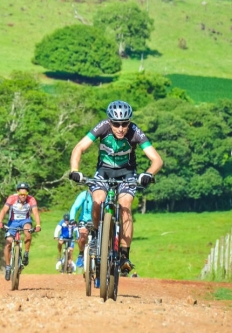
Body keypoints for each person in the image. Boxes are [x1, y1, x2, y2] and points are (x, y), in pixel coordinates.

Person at [69, 100, 163, 274]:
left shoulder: (135, 132)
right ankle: (97, 237)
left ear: (129, 122)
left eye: (124, 123)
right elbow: (79, 147)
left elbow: (157, 160)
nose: (120, 128)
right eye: (116, 123)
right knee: (98, 199)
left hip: (127, 173)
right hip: (103, 172)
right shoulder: (102, 127)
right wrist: (75, 170)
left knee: (125, 205)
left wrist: (148, 174)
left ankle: (124, 256)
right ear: (110, 121)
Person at [0, 183, 42, 281]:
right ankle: (8, 267)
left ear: (27, 194)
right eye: (21, 194)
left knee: (27, 232)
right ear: (17, 193)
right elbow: (4, 210)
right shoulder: (12, 198)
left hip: (25, 221)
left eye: (24, 194)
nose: (22, 196)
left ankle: (26, 253)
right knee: (8, 242)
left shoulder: (31, 200)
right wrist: (0, 221)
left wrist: (38, 225)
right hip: (13, 222)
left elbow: (35, 213)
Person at [69, 189, 94, 269]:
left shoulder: (102, 194)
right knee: (82, 237)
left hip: (98, 221)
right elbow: (75, 207)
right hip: (84, 221)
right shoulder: (84, 195)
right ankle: (81, 253)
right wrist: (72, 218)